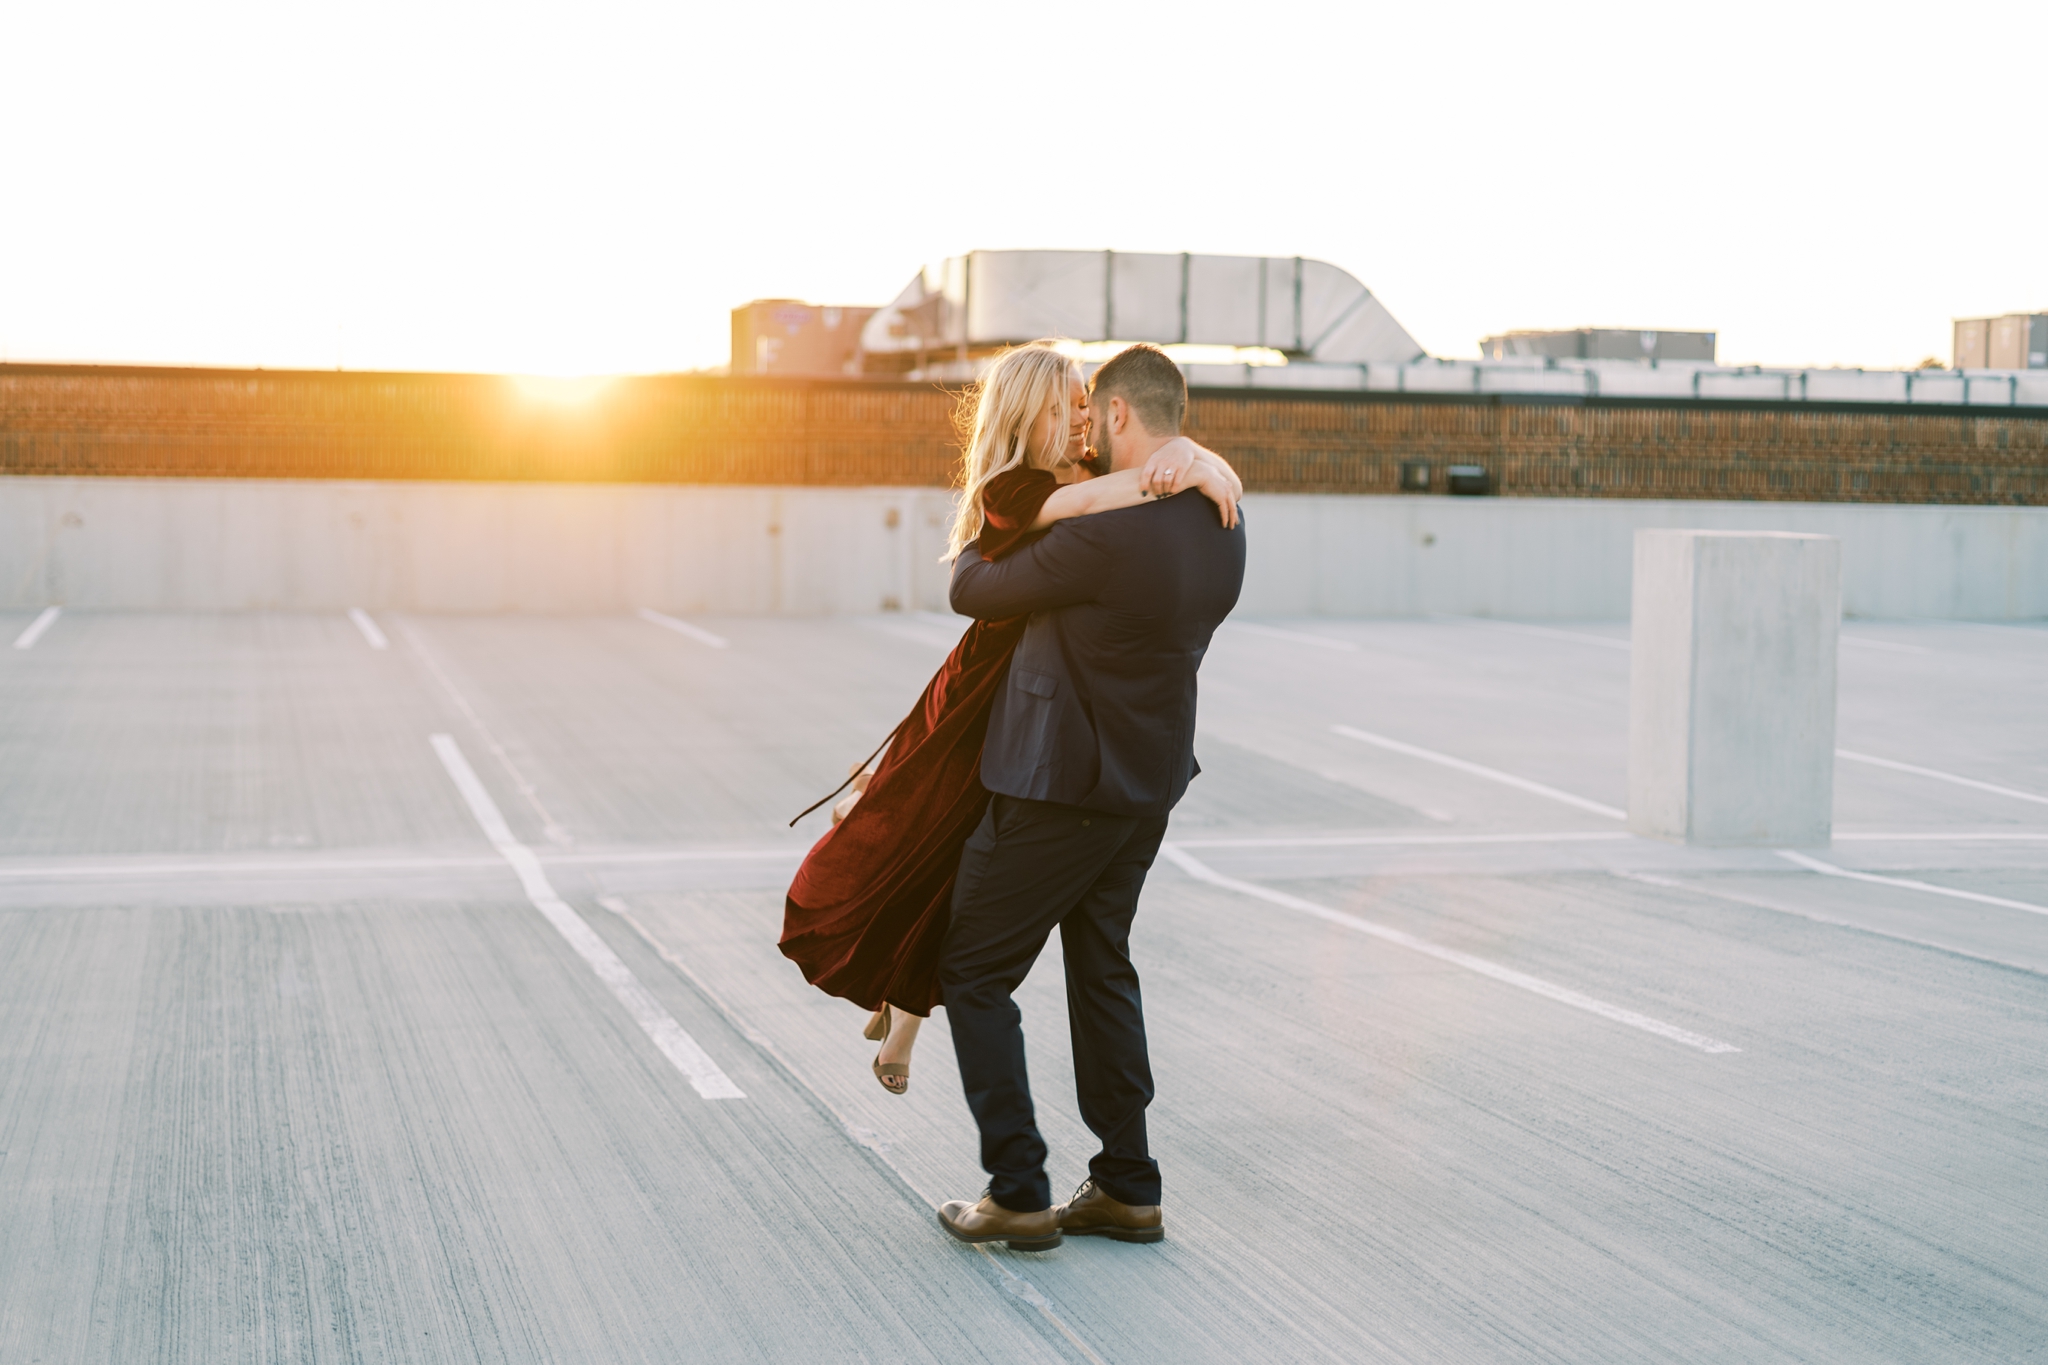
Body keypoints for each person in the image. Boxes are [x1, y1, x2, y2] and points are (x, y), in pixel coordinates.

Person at [778, 342, 1241, 1098]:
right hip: (986, 682)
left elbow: (1125, 475)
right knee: (929, 833)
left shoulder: (1091, 471)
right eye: (1067, 409)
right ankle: (900, 995)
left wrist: (1195, 453)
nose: (1082, 423)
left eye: (1087, 410)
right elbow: (1086, 508)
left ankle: (902, 1010)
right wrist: (1188, 466)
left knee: (962, 863)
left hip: (1025, 686)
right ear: (1032, 415)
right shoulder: (1017, 487)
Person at [934, 343, 1246, 1252]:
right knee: (1101, 963)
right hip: (1147, 788)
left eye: (1089, 415)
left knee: (975, 971)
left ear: (1114, 416)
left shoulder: (1100, 535)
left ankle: (1019, 1188)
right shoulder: (1222, 518)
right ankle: (1126, 1182)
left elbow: (971, 586)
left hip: (1056, 789)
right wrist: (1210, 463)